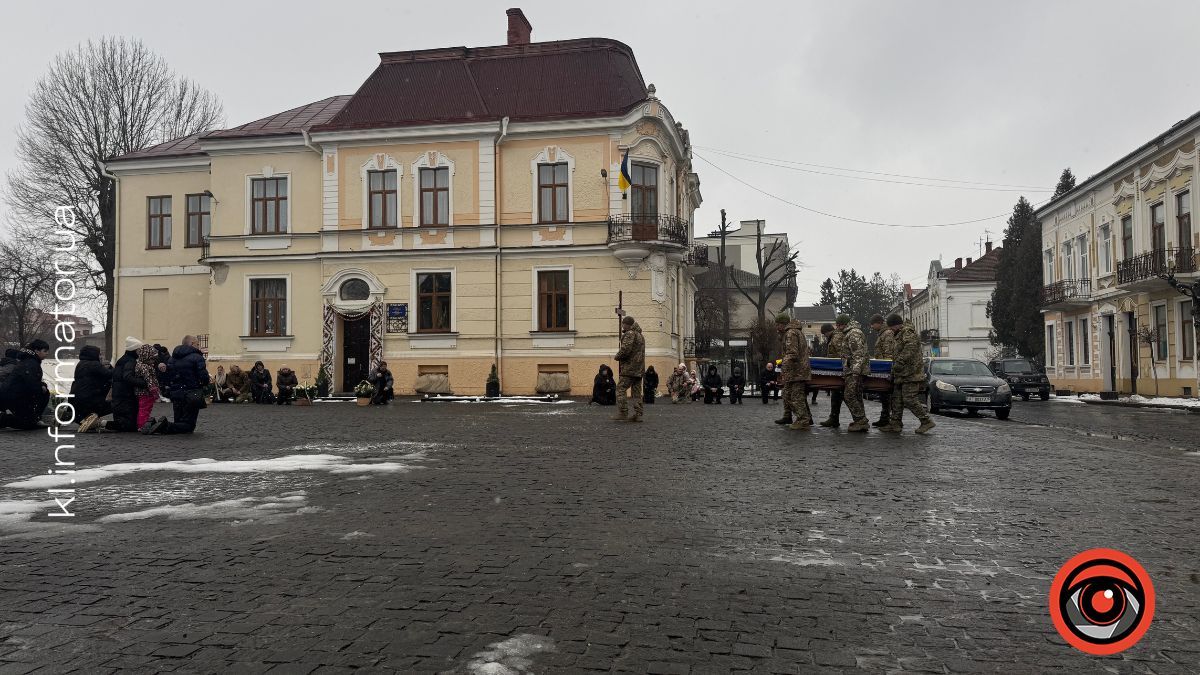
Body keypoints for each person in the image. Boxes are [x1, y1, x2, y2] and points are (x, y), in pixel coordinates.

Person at [144, 335, 210, 435]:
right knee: (188, 425)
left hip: (176, 393)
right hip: (192, 393)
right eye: (197, 344)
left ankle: (155, 424)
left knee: (179, 421)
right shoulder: (197, 357)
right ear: (192, 344)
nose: (198, 346)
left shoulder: (172, 359)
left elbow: (168, 377)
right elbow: (203, 376)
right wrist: (204, 384)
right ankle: (165, 425)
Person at [881, 315, 936, 435]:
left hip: (910, 374)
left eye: (891, 328)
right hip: (901, 374)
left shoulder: (907, 332)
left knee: (909, 399)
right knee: (897, 399)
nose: (891, 330)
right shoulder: (900, 334)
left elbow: (909, 349)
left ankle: (926, 421)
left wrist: (899, 362)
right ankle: (895, 424)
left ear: (896, 325)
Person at [0, 339, 52, 430]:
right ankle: (4, 419)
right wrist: (42, 387)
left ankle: (32, 419)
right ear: (36, 351)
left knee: (28, 422)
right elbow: (32, 384)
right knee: (27, 423)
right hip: (15, 397)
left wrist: (41, 385)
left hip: (14, 396)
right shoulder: (31, 363)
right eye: (45, 351)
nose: (47, 353)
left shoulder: (28, 361)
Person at [776, 313, 814, 430]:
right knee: (788, 394)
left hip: (796, 371)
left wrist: (781, 363)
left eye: (778, 325)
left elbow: (792, 353)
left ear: (782, 324)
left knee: (795, 396)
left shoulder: (791, 333)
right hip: (796, 371)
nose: (776, 327)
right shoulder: (794, 332)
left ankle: (803, 420)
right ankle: (799, 417)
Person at [837, 314, 871, 432]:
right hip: (853, 370)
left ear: (843, 325)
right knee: (856, 395)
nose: (838, 328)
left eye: (839, 325)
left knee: (849, 395)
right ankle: (860, 420)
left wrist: (855, 372)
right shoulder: (851, 333)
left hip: (855, 371)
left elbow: (857, 354)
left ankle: (861, 420)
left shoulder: (853, 333)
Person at [104, 337, 145, 432]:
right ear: (134, 350)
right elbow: (127, 377)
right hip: (126, 397)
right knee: (127, 425)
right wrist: (143, 383)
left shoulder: (121, 360)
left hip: (119, 395)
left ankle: (102, 424)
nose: (140, 352)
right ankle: (101, 424)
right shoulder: (130, 361)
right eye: (139, 350)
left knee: (123, 422)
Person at [72, 345, 113, 432]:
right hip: (90, 399)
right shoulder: (94, 364)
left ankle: (75, 417)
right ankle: (91, 418)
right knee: (114, 405)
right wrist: (112, 367)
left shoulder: (80, 364)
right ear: (93, 354)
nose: (101, 356)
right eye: (99, 354)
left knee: (82, 412)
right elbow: (109, 374)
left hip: (77, 398)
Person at [612, 315, 645, 422]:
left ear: (627, 324)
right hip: (639, 369)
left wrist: (618, 356)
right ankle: (638, 414)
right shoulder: (640, 335)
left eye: (623, 324)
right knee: (636, 392)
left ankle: (623, 412)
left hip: (629, 368)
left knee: (620, 389)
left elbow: (626, 349)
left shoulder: (630, 334)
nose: (622, 326)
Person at [869, 313, 897, 428]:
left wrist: (888, 371)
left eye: (872, 324)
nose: (871, 327)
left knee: (887, 396)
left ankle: (887, 419)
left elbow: (889, 354)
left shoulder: (887, 334)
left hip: (886, 370)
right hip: (883, 370)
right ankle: (884, 418)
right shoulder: (882, 334)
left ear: (879, 323)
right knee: (884, 396)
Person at [819, 322, 847, 427]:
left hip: (840, 372)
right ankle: (833, 418)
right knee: (836, 396)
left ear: (828, 332)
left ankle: (859, 418)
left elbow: (841, 355)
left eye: (824, 334)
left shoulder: (836, 338)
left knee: (846, 397)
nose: (825, 336)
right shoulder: (834, 337)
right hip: (837, 372)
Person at [133, 344, 162, 431]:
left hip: (143, 392)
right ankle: (142, 425)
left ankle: (143, 424)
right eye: (151, 358)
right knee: (144, 409)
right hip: (145, 392)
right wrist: (155, 391)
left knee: (145, 409)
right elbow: (149, 379)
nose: (153, 361)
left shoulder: (140, 364)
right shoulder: (145, 367)